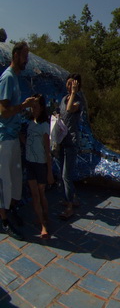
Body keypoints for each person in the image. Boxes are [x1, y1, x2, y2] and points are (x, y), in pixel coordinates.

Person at [0, 42, 37, 240]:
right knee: (3, 181)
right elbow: (3, 112)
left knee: (15, 182)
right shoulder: (7, 78)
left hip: (14, 137)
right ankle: (4, 220)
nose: (27, 60)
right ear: (15, 56)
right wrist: (23, 106)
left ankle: (11, 211)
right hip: (4, 138)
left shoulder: (16, 78)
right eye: (24, 56)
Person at [23, 94, 53, 239]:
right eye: (32, 107)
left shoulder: (44, 126)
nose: (33, 109)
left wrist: (49, 172)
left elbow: (47, 151)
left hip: (40, 164)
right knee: (35, 195)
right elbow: (27, 141)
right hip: (30, 163)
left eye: (35, 107)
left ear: (41, 108)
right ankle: (43, 224)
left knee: (41, 194)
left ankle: (45, 218)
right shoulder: (30, 123)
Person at [58, 73, 83, 220]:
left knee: (66, 175)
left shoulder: (77, 101)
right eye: (68, 84)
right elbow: (62, 113)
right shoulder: (63, 99)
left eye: (72, 84)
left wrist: (74, 93)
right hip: (62, 140)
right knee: (62, 173)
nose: (69, 86)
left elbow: (69, 109)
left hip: (71, 142)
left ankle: (69, 206)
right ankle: (71, 198)